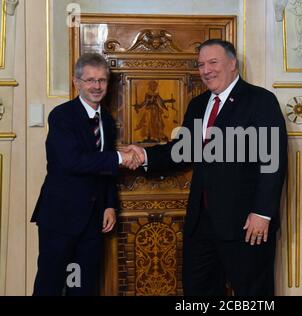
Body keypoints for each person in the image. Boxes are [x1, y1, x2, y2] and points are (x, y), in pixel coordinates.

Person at [128, 39, 287, 296]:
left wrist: (262, 213)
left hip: (245, 224)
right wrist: (143, 154)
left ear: (232, 64)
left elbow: (273, 162)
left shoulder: (260, 101)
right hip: (201, 223)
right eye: (201, 64)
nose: (206, 70)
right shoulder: (198, 105)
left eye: (213, 62)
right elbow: (181, 152)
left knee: (253, 295)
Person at [31, 53, 142, 296]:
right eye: (90, 80)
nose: (96, 86)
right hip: (61, 217)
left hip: (93, 221)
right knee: (49, 285)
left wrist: (110, 205)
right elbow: (73, 161)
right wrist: (120, 157)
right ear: (76, 82)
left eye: (102, 80)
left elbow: (105, 171)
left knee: (83, 286)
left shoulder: (108, 122)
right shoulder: (62, 116)